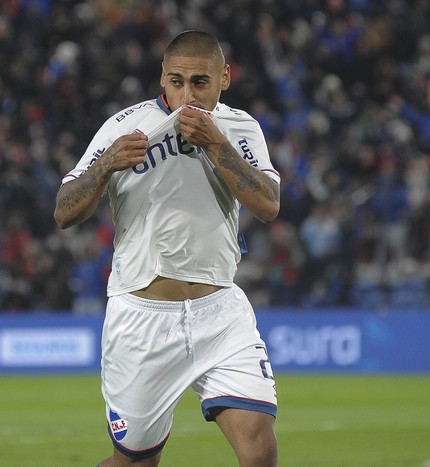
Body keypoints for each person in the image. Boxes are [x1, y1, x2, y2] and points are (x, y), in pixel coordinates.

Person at [55, 30, 281, 466]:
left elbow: (268, 204)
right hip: (143, 320)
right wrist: (105, 166)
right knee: (135, 464)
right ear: (162, 78)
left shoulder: (239, 127)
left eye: (200, 82)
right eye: (176, 81)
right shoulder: (124, 126)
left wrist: (216, 144)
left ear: (225, 78)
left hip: (220, 315)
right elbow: (64, 212)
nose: (187, 94)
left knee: (260, 452)